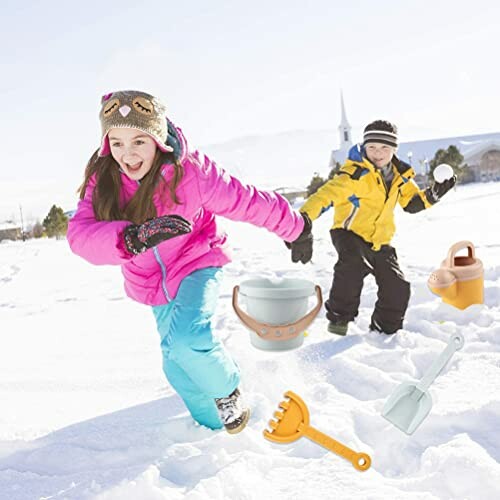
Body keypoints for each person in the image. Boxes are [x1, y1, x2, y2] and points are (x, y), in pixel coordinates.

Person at [67, 90, 311, 434]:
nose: (128, 154)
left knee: (187, 339)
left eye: (139, 140)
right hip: (150, 282)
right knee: (176, 367)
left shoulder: (190, 171)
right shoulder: (103, 180)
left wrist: (295, 227)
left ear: (158, 138)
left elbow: (244, 199)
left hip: (196, 260)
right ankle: (217, 429)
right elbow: (80, 236)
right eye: (117, 143)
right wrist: (132, 239)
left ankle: (228, 390)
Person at [289, 120, 456, 336]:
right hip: (349, 234)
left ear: (394, 149)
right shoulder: (353, 175)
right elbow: (324, 197)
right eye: (372, 147)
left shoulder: (400, 176)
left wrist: (434, 194)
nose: (378, 153)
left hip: (380, 240)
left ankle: (384, 331)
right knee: (353, 264)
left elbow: (411, 203)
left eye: (384, 147)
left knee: (398, 286)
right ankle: (339, 320)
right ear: (365, 147)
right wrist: (301, 222)